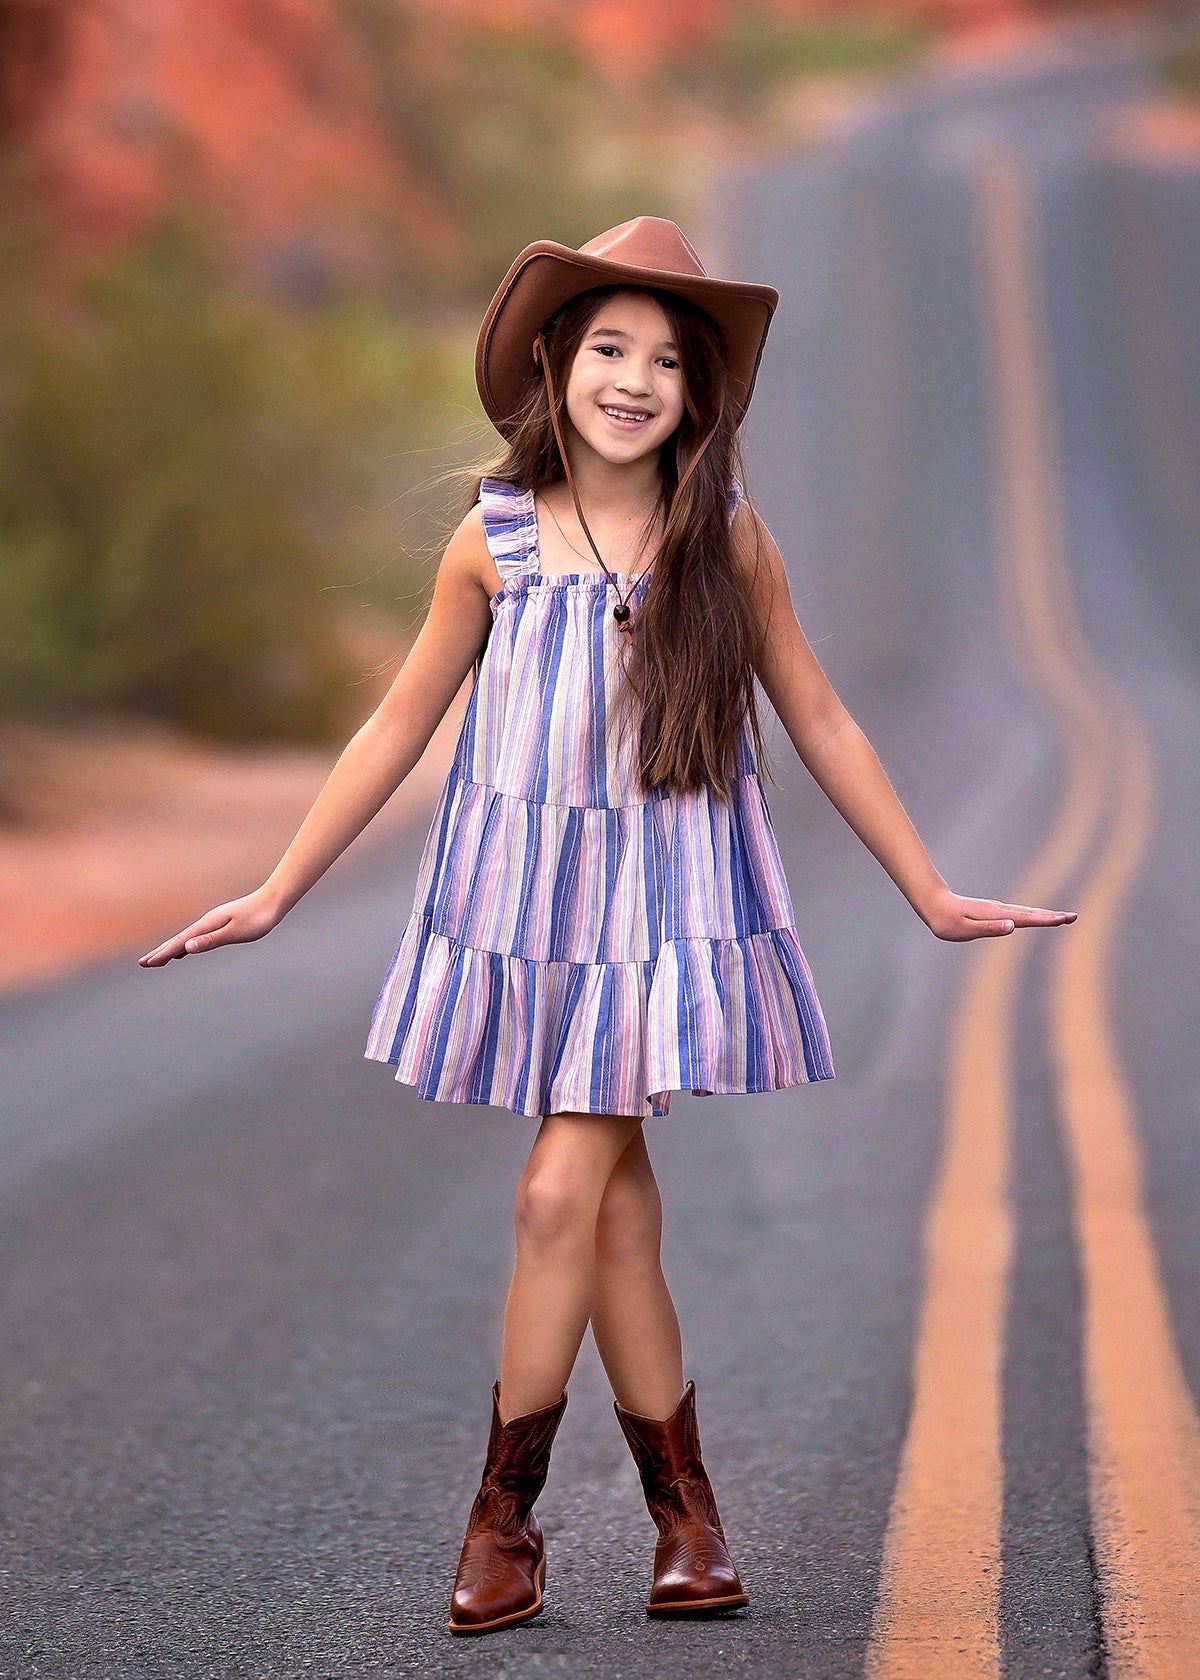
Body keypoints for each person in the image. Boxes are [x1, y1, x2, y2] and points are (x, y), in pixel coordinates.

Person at [138, 216, 1077, 1637]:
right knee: (619, 1219)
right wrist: (279, 888)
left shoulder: (726, 543)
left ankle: (501, 1525)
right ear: (556, 366)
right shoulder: (493, 538)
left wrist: (930, 890)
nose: (633, 379)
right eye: (607, 349)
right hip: (527, 911)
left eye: (664, 361)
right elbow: (401, 720)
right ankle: (686, 1524)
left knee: (552, 1199)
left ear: (698, 393)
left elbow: (815, 713)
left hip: (662, 911)